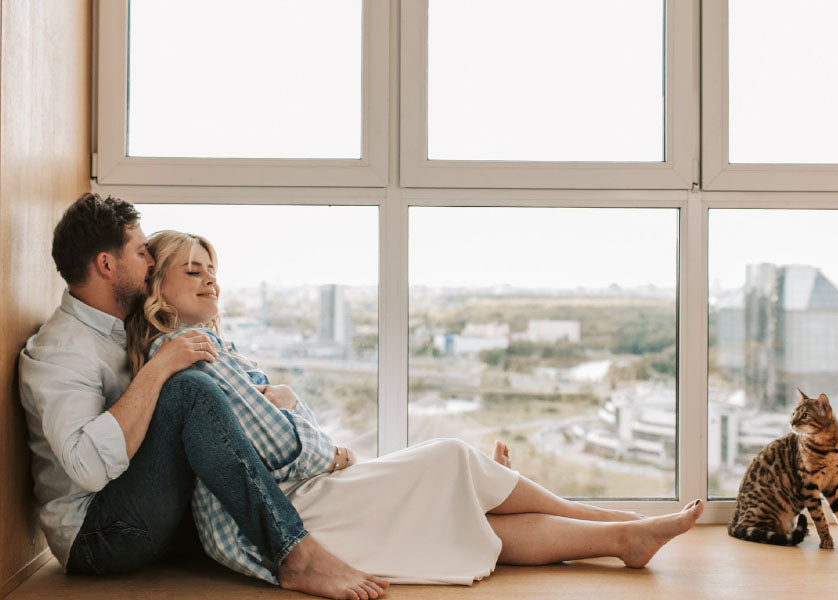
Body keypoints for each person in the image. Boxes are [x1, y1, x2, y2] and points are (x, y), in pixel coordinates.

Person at [124, 229, 706, 589]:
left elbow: (274, 428)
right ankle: (619, 526)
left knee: (464, 512)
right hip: (284, 513)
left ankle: (621, 536)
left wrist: (290, 409)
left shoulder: (203, 348)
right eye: (192, 271)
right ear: (158, 290)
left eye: (213, 271)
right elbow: (275, 443)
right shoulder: (182, 351)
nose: (211, 282)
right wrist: (323, 440)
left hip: (293, 497)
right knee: (452, 459)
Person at [19, 193, 390, 600]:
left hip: (145, 510)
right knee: (188, 388)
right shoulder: (62, 350)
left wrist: (256, 396)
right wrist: (161, 369)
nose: (150, 262)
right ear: (107, 265)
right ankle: (295, 554)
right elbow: (87, 467)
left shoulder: (125, 328)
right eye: (142, 252)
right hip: (99, 536)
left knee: (202, 392)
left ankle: (325, 531)